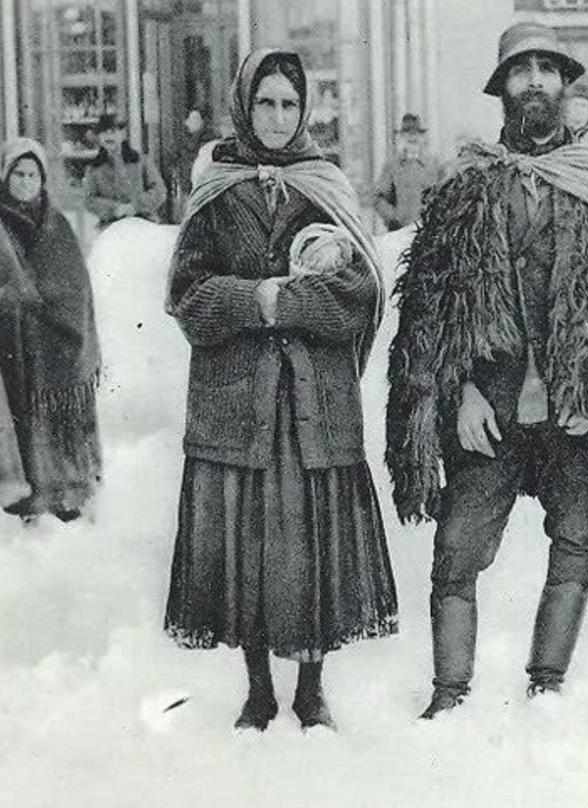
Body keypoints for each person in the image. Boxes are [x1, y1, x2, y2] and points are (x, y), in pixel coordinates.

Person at [386, 22, 588, 721]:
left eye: (546, 69)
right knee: (456, 552)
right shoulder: (467, 184)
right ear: (502, 87)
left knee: (575, 543)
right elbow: (431, 308)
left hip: (575, 413)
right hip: (489, 407)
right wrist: (460, 393)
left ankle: (547, 689)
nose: (534, 80)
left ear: (564, 85)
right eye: (520, 69)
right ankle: (449, 695)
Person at [163, 49, 398, 732]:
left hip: (311, 400)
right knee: (250, 545)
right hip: (239, 401)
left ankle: (311, 690)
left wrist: (285, 302)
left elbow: (358, 294)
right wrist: (253, 298)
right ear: (244, 107)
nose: (276, 117)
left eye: (288, 104)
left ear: (305, 111)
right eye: (264, 103)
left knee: (310, 541)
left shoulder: (326, 187)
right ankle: (259, 689)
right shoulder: (215, 191)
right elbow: (187, 296)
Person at [0, 138, 103, 525]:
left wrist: (45, 304)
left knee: (57, 415)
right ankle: (27, 492)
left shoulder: (56, 224)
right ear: (6, 177)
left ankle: (66, 490)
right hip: (10, 338)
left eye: (33, 175)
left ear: (42, 179)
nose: (25, 182)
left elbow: (76, 286)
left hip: (55, 338)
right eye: (18, 174)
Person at [83, 114, 167, 228]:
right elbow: (89, 200)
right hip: (111, 225)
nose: (109, 136)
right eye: (104, 132)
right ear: (99, 137)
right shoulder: (94, 167)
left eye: (113, 131)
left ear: (123, 135)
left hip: (144, 222)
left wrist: (135, 206)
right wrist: (115, 208)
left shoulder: (141, 160)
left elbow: (160, 190)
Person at [371, 113, 440, 231]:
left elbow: (444, 197)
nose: (412, 138)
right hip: (400, 230)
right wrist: (392, 218)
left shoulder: (433, 165)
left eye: (417, 133)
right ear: (401, 137)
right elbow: (378, 197)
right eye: (408, 133)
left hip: (428, 230)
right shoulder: (393, 165)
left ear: (423, 137)